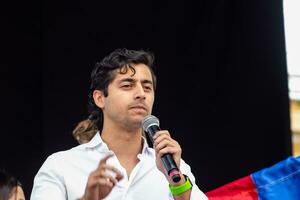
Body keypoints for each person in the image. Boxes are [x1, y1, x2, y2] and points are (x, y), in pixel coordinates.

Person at [30, 48, 208, 200]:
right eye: (127, 85)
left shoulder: (175, 167)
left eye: (147, 87)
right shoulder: (61, 166)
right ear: (100, 98)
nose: (141, 94)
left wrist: (177, 183)